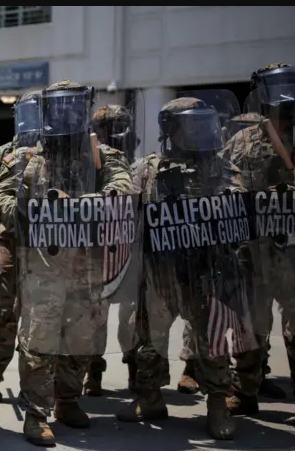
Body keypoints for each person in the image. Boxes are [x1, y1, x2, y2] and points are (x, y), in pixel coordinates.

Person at [0, 80, 134, 445]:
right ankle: (36, 414)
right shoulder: (27, 157)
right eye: (58, 108)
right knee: (38, 338)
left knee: (81, 335)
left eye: (72, 107)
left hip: (87, 263)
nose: (65, 115)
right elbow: (2, 193)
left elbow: (122, 186)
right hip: (43, 262)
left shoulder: (102, 154)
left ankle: (68, 400)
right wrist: (22, 213)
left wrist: (88, 204)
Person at [118, 96, 245, 440]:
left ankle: (217, 404)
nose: (199, 132)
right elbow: (126, 208)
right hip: (161, 271)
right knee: (148, 338)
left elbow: (238, 208)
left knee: (212, 340)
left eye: (203, 125)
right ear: (170, 130)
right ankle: (150, 398)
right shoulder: (147, 169)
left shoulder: (221, 168)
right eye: (191, 125)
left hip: (207, 270)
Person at [220, 63, 295, 426]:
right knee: (250, 325)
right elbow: (224, 178)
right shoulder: (243, 140)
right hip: (252, 248)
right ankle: (244, 392)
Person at [0, 90, 43, 406]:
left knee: (46, 314)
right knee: (1, 308)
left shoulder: (63, 150)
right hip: (8, 240)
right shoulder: (5, 153)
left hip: (50, 244)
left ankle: (55, 390)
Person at [87, 104, 143, 397]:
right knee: (95, 315)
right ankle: (93, 373)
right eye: (107, 128)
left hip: (133, 244)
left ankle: (135, 369)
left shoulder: (142, 164)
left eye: (120, 127)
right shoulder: (89, 159)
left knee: (132, 317)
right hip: (99, 247)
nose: (114, 134)